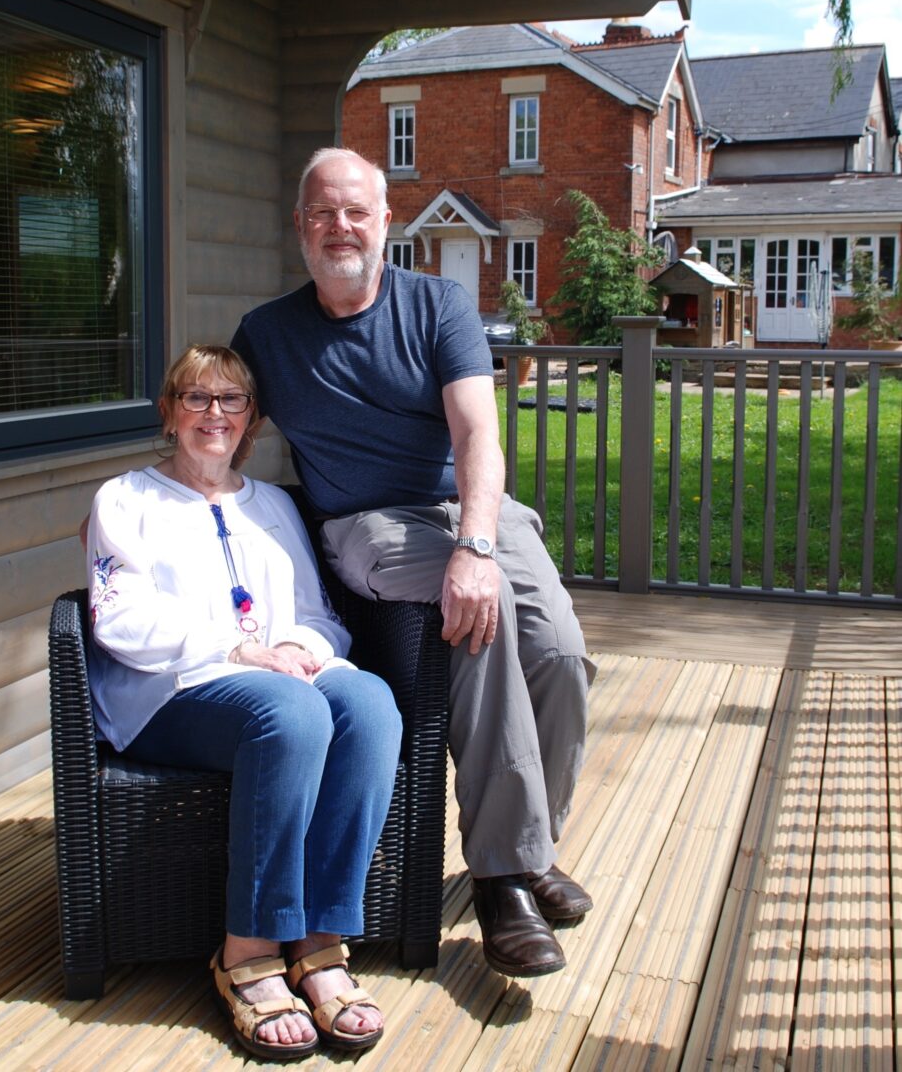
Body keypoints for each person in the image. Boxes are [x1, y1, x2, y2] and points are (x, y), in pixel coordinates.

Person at [232, 149, 597, 980]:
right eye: (323, 212)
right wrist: (155, 500)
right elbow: (216, 420)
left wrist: (474, 542)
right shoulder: (268, 335)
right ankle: (504, 877)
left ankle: (533, 845)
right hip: (369, 525)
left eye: (356, 211)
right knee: (481, 618)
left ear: (386, 222)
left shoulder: (438, 304)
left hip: (471, 509)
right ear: (300, 225)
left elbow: (477, 435)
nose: (340, 227)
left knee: (563, 652)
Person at [85, 343, 402, 1060]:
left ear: (251, 419)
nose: (214, 415)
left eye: (231, 401)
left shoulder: (274, 507)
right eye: (195, 398)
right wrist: (237, 652)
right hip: (172, 691)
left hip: (280, 676)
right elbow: (118, 618)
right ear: (169, 414)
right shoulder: (126, 499)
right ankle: (247, 952)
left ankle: (321, 940)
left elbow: (317, 614)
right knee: (290, 716)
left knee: (372, 704)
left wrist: (303, 653)